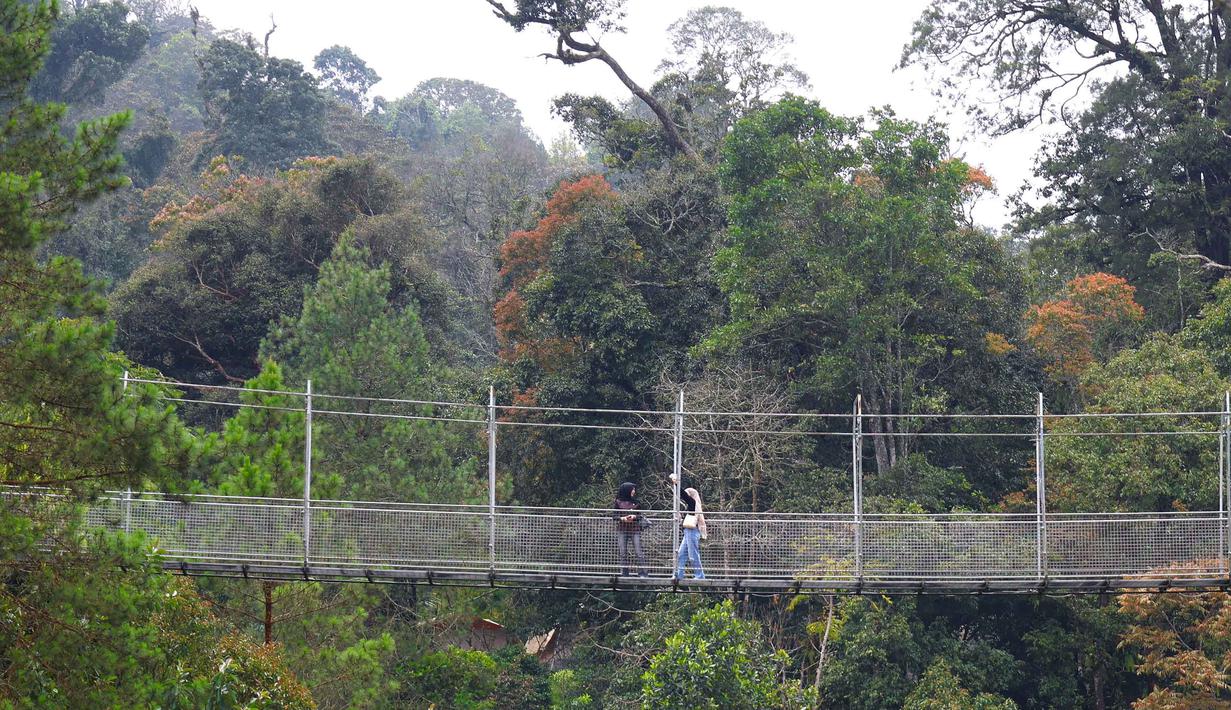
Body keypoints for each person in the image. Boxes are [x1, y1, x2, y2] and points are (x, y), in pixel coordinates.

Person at [669, 473, 706, 580]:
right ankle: (679, 574)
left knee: (693, 554)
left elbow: (684, 495)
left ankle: (699, 575)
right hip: (688, 532)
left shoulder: (693, 503)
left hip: (692, 531)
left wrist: (676, 484)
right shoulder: (692, 506)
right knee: (681, 554)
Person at [613, 482, 647, 577]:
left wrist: (634, 516)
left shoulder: (636, 502)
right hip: (622, 529)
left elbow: (640, 516)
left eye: (634, 489)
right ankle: (624, 574)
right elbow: (614, 516)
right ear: (627, 490)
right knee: (623, 552)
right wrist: (622, 518)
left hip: (635, 529)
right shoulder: (618, 502)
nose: (634, 491)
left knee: (639, 552)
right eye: (632, 489)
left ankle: (643, 573)